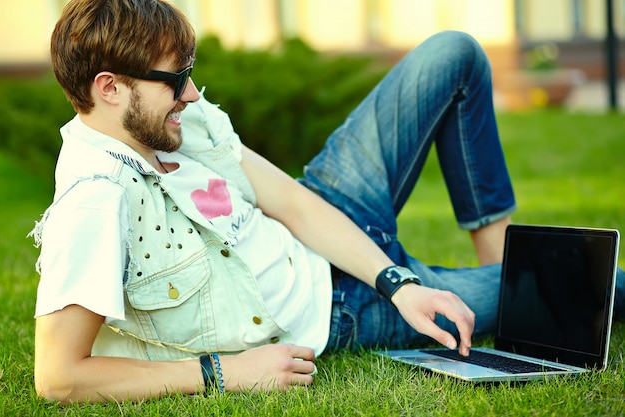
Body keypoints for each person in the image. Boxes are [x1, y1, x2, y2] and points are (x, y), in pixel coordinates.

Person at [32, 0, 621, 405]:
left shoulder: (172, 124)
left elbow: (290, 200)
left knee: (453, 54)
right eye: (174, 77)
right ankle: (514, 286)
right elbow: (58, 377)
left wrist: (398, 281)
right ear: (109, 88)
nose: (190, 91)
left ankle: (502, 261)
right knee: (591, 286)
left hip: (329, 214)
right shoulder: (95, 202)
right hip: (338, 309)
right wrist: (224, 373)